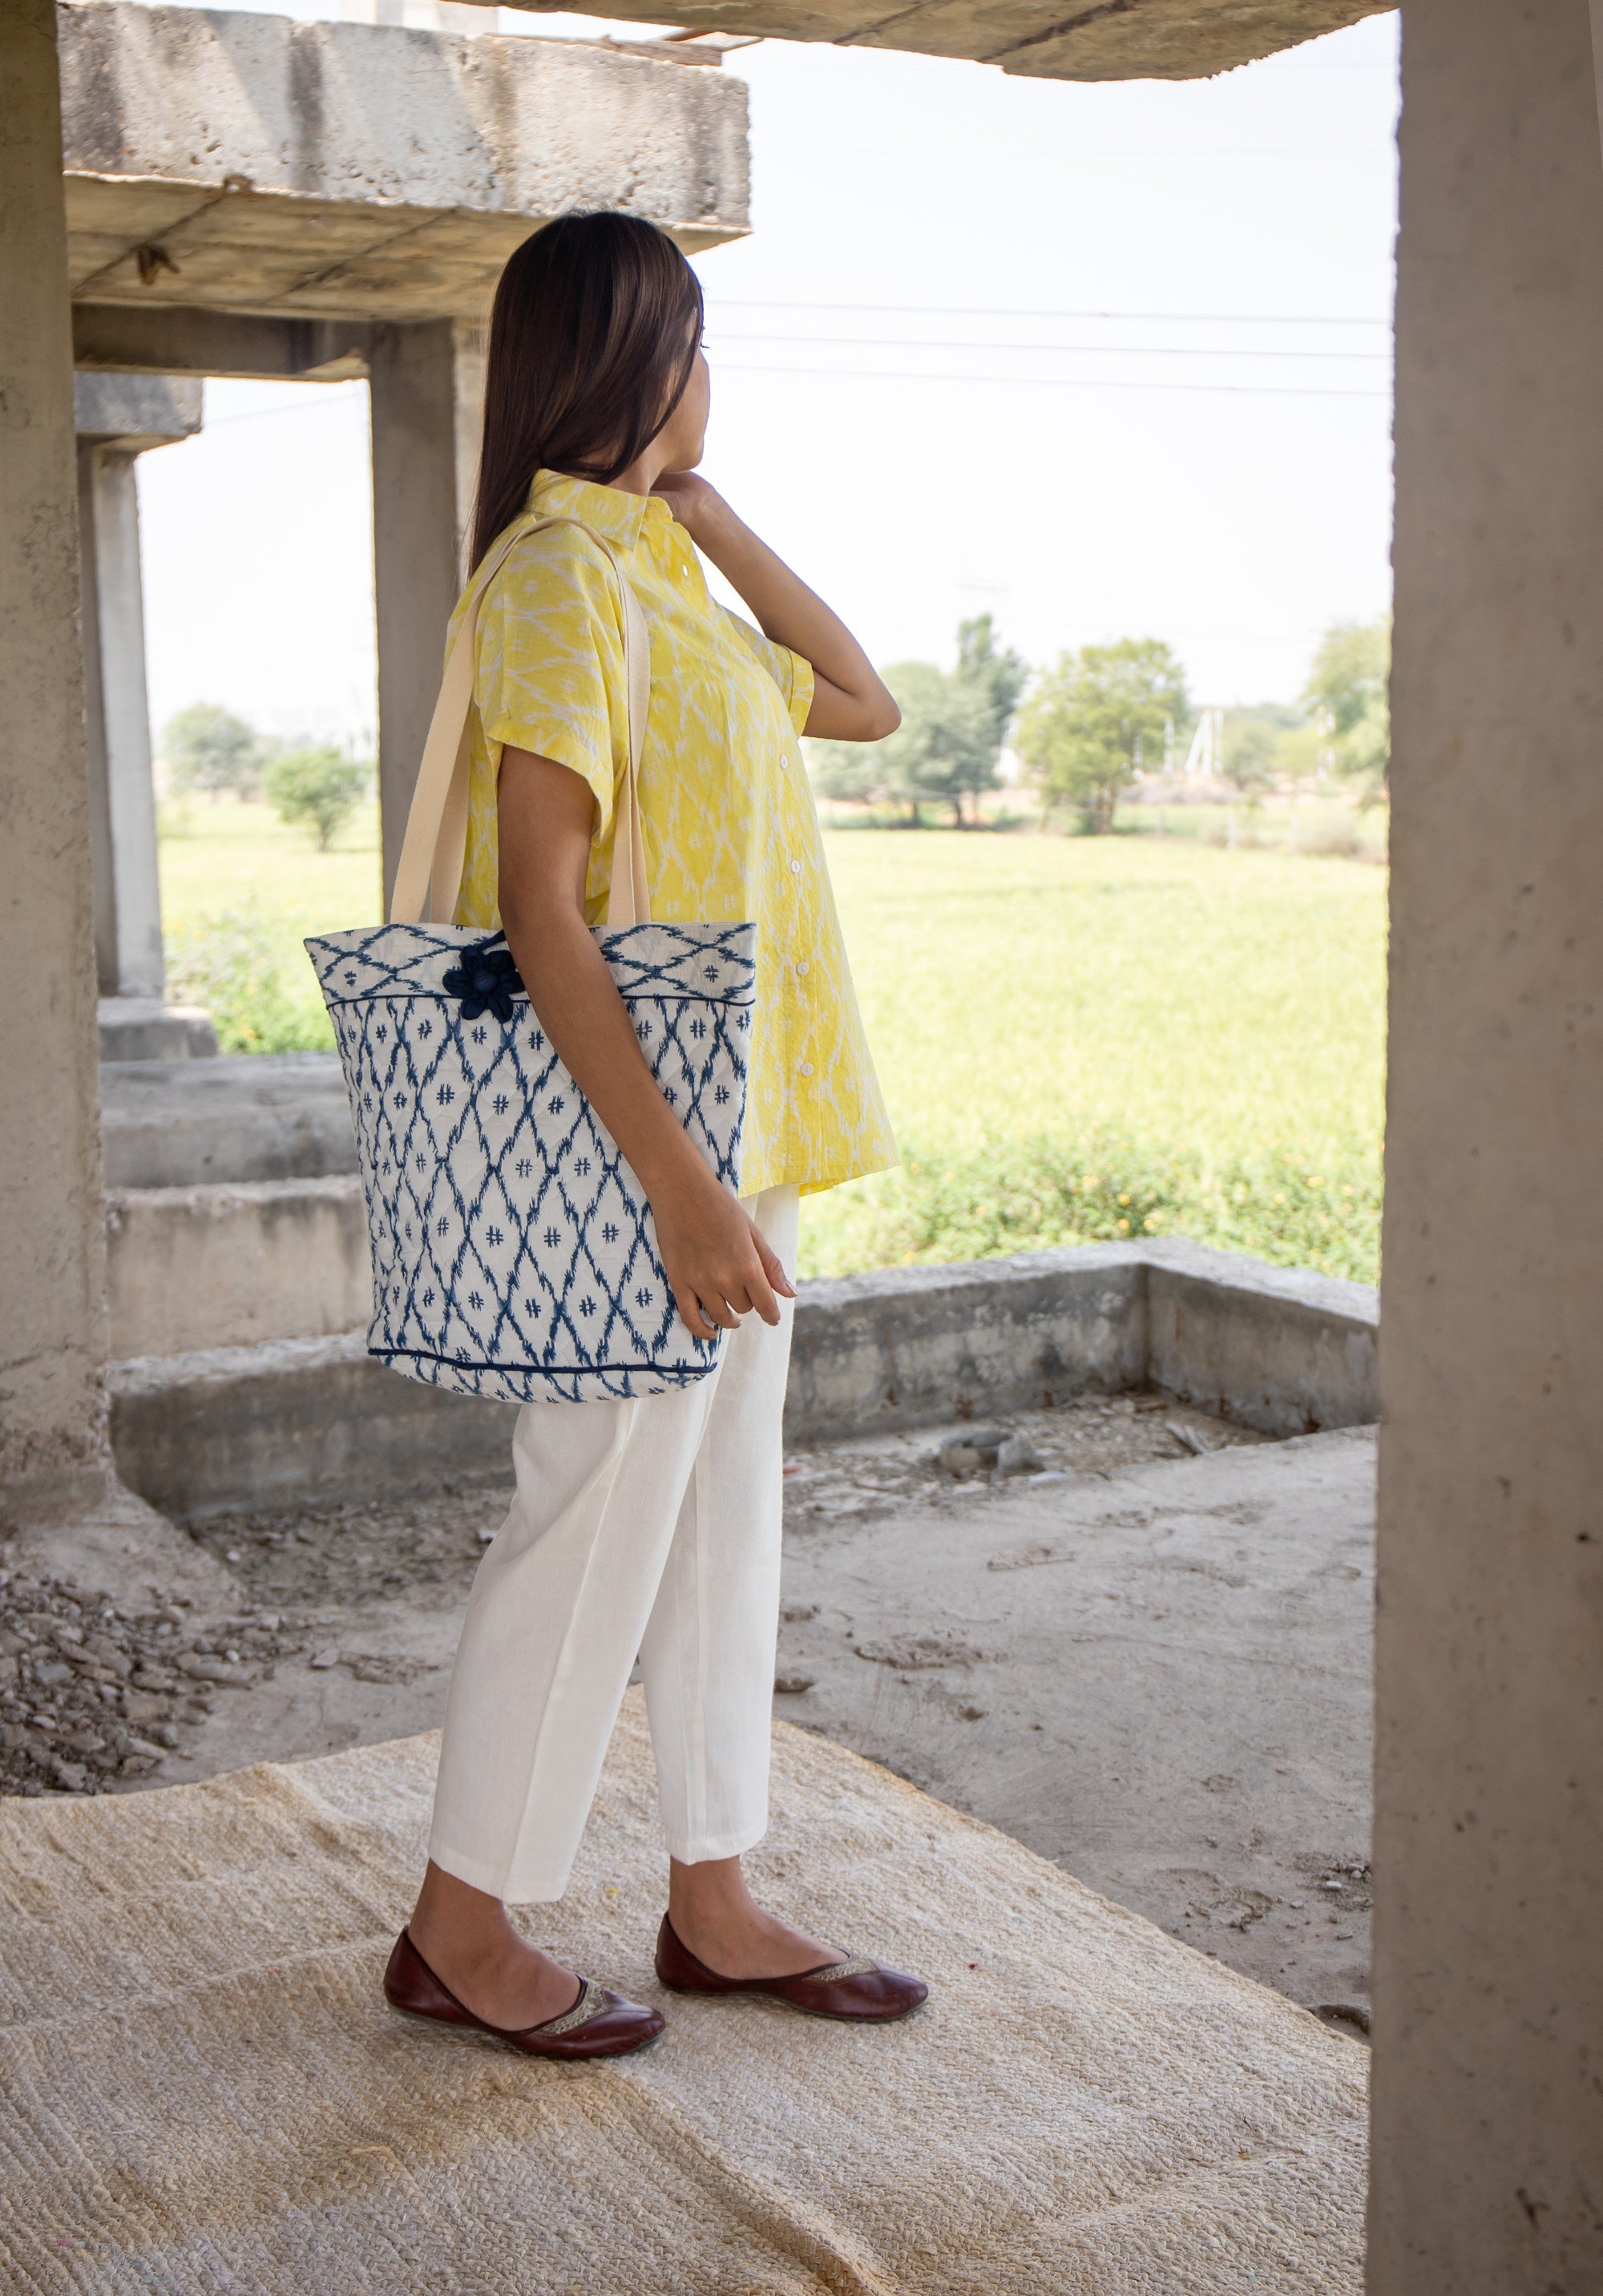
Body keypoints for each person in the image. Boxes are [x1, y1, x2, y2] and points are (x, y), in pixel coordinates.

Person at [382, 212, 927, 2058]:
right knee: (592, 1511)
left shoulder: (661, 581)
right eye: (696, 343)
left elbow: (861, 695)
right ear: (638, 360)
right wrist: (680, 1183)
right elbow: (542, 905)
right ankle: (459, 1921)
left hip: (730, 1120)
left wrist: (705, 510)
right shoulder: (550, 580)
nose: (716, 375)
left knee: (711, 1522)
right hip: (637, 1149)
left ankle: (715, 1892)